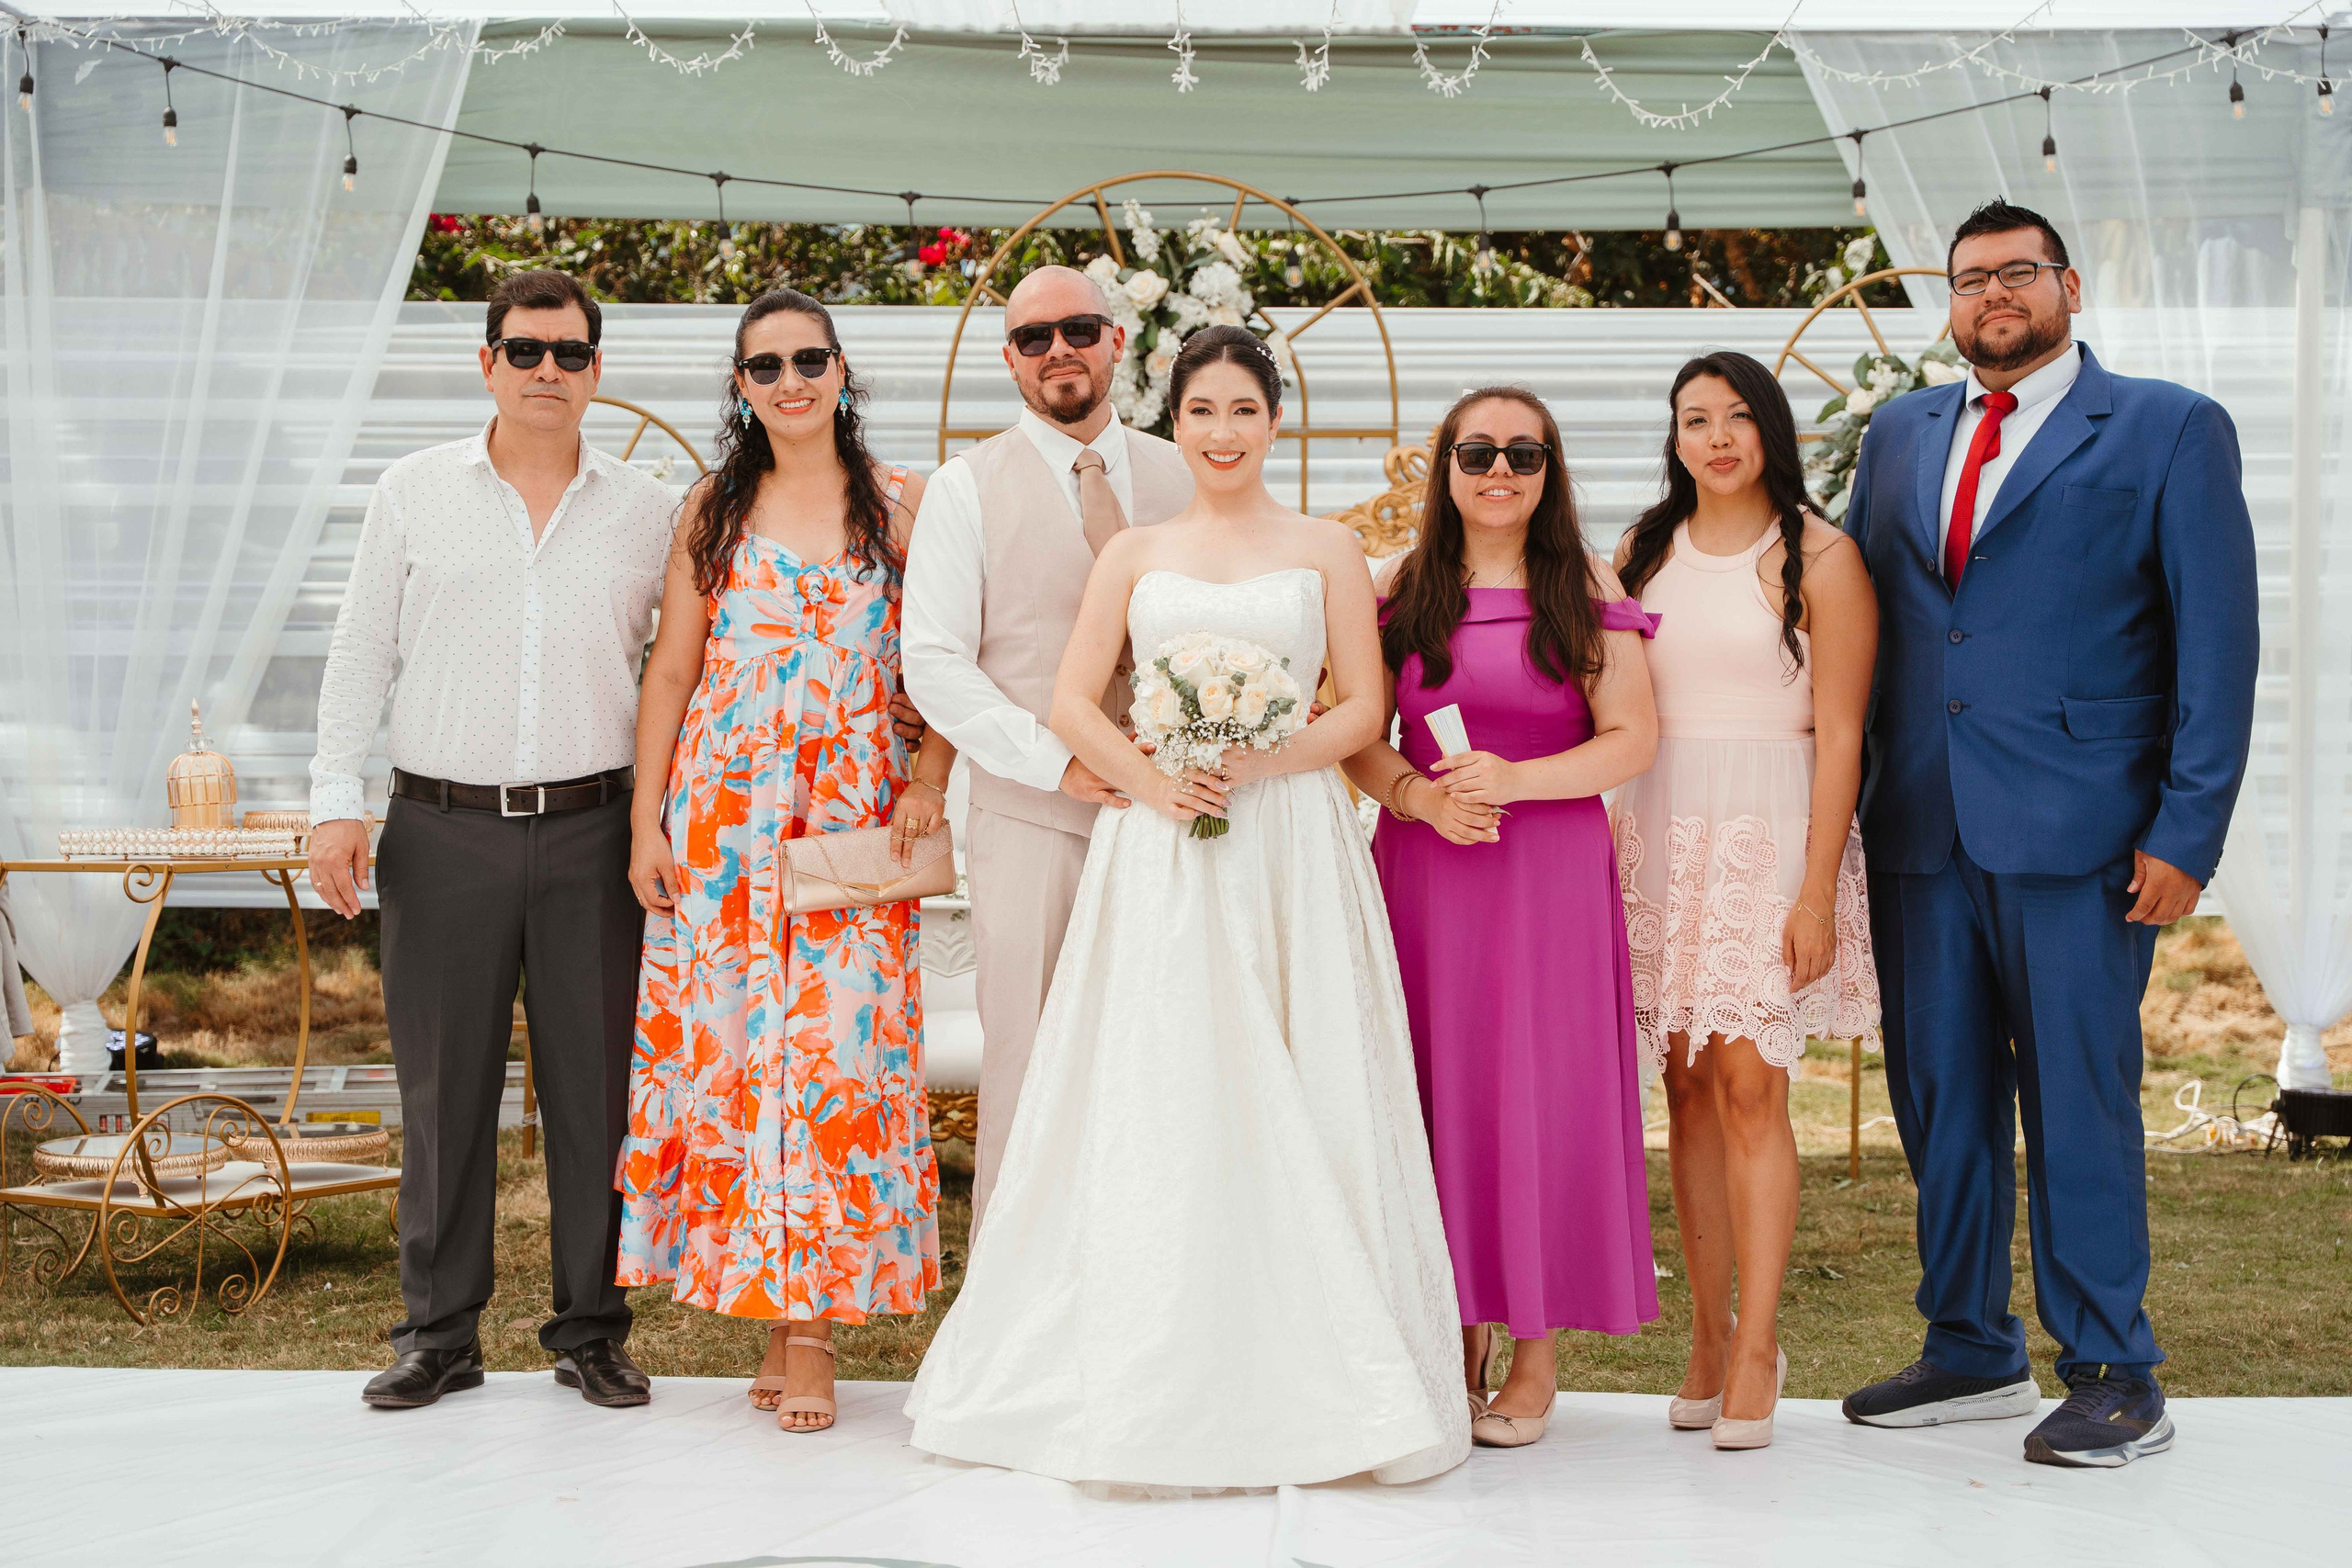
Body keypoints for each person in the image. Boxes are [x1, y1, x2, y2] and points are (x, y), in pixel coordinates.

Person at [904, 327, 1469, 1490]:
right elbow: (1069, 696)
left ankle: (1322, 1359)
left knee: (1302, 1069)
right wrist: (1158, 778)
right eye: (1201, 412)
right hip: (1159, 845)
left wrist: (1261, 759)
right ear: (1178, 421)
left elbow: (1361, 709)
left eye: (1243, 412)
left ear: (1276, 422)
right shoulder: (1138, 551)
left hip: (1291, 847)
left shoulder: (1325, 550)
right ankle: (1148, 1351)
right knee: (1166, 1075)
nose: (1222, 433)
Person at [1838, 200, 2257, 1468]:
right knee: (1941, 1095)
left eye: (2017, 273)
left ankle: (2116, 1367)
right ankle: (1969, 1341)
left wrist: (2189, 829)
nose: (1992, 297)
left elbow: (2219, 643)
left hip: (2083, 832)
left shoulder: (2168, 429)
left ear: (2068, 285)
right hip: (1919, 819)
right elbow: (1862, 615)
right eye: (1970, 281)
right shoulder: (1899, 433)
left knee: (2077, 1098)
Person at [309, 270, 673, 1411]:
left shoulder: (652, 509)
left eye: (569, 354)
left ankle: (590, 1329)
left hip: (595, 833)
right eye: (525, 351)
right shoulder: (412, 492)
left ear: (598, 371)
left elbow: (685, 672)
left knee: (596, 1093)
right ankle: (439, 1333)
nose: (547, 372)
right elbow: (361, 649)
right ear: (487, 362)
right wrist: (333, 795)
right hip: (440, 828)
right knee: (443, 1091)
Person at [615, 288, 949, 1435]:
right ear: (742, 387)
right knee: (745, 1070)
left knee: (836, 1069)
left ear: (842, 369)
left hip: (850, 824)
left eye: (810, 358)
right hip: (721, 827)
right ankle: (779, 1315)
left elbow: (953, 661)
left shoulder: (900, 506)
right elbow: (670, 673)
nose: (791, 380)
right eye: (766, 366)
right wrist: (644, 821)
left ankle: (812, 1339)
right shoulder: (711, 508)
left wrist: (928, 777)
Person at [1340, 386, 1661, 1450]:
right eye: (1476, 451)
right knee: (1438, 1092)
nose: (1498, 470)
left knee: (1534, 1096)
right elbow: (1358, 737)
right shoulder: (1402, 591)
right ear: (1444, 467)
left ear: (1549, 471)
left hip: (1547, 876)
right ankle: (1451, 1327)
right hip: (1428, 872)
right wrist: (1419, 795)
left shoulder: (1583, 585)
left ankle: (1534, 1348)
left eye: (1523, 454)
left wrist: (1515, 781)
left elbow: (1630, 739)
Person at [1609, 351, 1881, 1451]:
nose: (1714, 438)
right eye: (1692, 420)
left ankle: (1762, 1343)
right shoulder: (1640, 553)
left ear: (1770, 428)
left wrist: (1814, 890)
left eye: (1734, 417)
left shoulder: (1823, 558)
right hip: (1658, 830)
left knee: (1748, 1089)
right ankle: (1707, 1340)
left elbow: (1845, 734)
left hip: (1768, 832)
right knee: (1680, 1092)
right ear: (1673, 438)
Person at [899, 265, 1193, 1232]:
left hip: (1176, 821)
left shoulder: (1184, 471)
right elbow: (935, 664)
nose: (1057, 350)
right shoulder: (963, 488)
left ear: (1116, 341)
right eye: (1034, 338)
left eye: (1077, 329)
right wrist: (1057, 763)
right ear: (1010, 362)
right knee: (1026, 1058)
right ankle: (1014, 1308)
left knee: (1166, 1054)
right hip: (1031, 816)